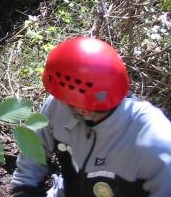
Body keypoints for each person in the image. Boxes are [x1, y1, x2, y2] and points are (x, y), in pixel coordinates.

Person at [11, 36, 171, 197]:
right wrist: (24, 191)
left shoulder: (155, 140)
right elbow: (31, 155)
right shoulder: (57, 106)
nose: (60, 102)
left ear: (81, 109)